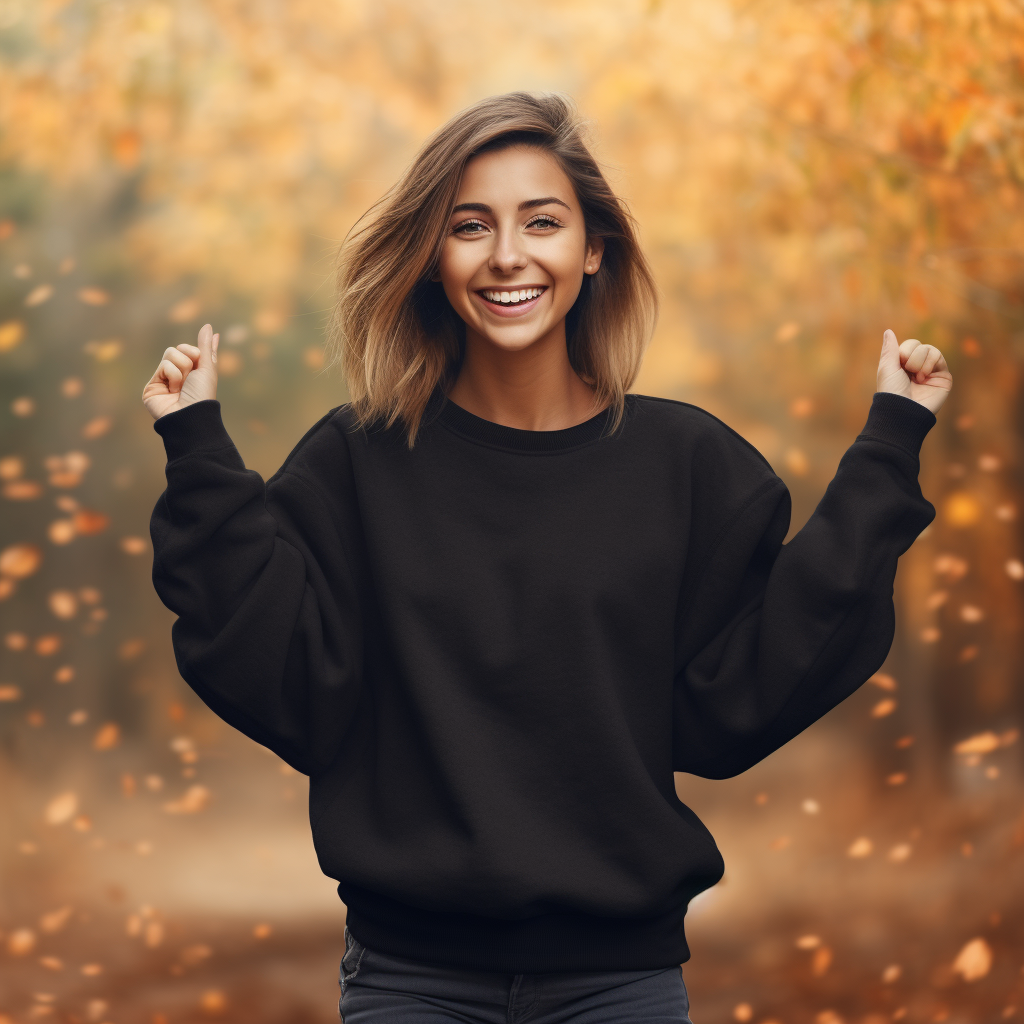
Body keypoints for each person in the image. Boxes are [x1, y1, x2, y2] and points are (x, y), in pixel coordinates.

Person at [143, 92, 951, 1023]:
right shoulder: (357, 462)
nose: (508, 255)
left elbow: (739, 703)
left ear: (593, 248)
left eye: (543, 221)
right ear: (431, 261)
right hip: (410, 981)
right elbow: (282, 678)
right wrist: (197, 449)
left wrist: (889, 445)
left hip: (622, 984)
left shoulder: (686, 466)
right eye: (470, 227)